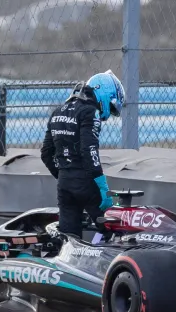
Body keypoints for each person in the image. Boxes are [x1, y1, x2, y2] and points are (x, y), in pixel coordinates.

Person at [40, 69, 125, 239]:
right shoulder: (89, 111)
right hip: (86, 183)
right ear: (104, 94)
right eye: (111, 105)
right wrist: (103, 187)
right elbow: (89, 151)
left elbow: (46, 153)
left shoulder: (58, 111)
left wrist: (64, 175)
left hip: (64, 184)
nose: (107, 115)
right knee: (116, 232)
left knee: (69, 241)